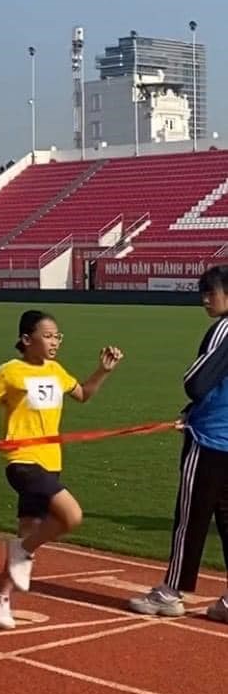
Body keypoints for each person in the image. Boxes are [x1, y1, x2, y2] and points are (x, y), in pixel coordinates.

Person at [0, 310, 124, 629]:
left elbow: (82, 394)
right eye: (49, 336)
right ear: (27, 340)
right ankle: (22, 550)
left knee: (29, 531)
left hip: (51, 461)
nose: (55, 342)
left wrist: (103, 371)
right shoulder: (10, 371)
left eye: (58, 336)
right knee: (71, 516)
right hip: (22, 461)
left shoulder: (56, 370)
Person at [129, 264, 228, 623]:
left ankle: (171, 592)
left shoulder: (224, 329)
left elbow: (197, 382)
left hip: (209, 438)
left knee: (191, 517)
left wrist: (193, 404)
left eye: (211, 292)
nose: (205, 299)